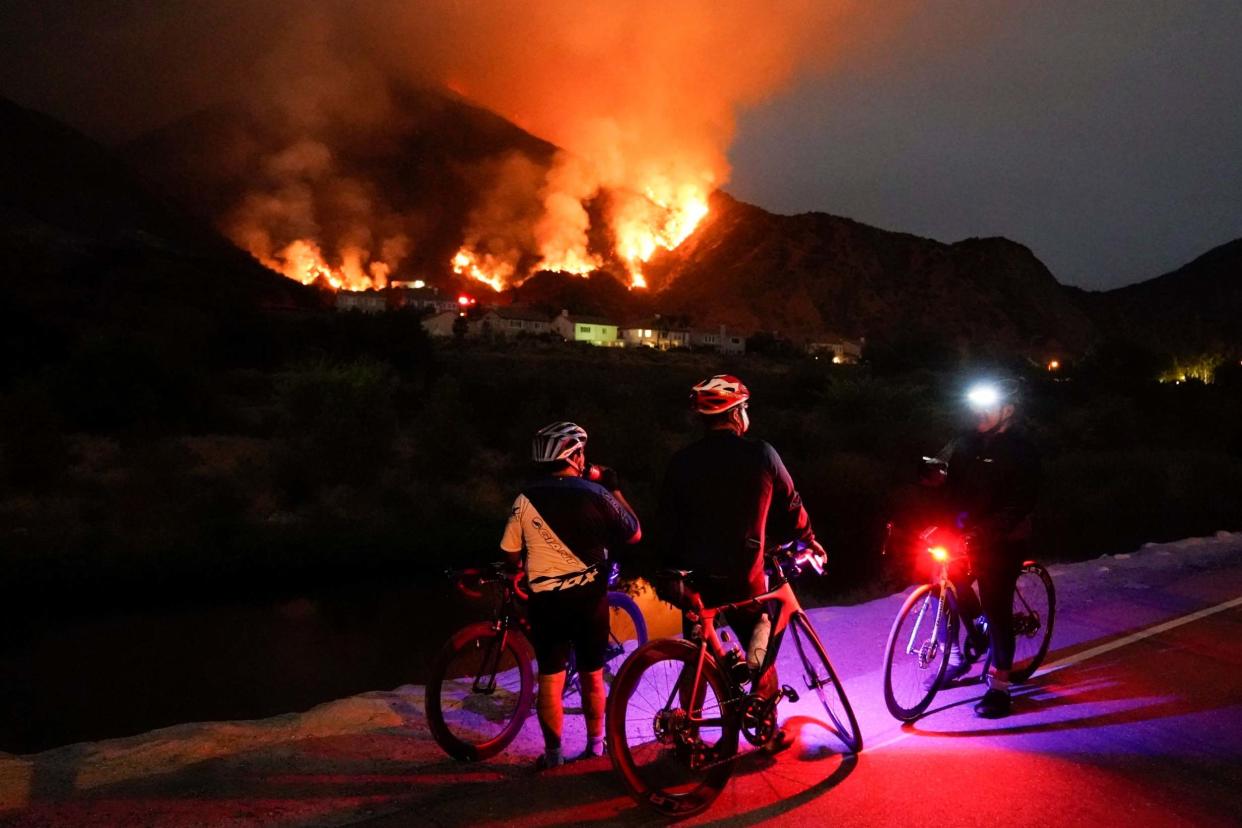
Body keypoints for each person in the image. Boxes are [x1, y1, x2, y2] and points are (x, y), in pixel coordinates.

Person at [657, 375, 825, 745]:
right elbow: (791, 503)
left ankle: (691, 735)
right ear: (736, 414)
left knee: (696, 654)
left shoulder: (681, 461)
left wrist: (669, 574)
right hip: (742, 574)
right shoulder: (761, 453)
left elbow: (666, 522)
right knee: (759, 644)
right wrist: (808, 540)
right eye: (744, 409)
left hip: (694, 576)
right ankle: (766, 730)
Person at [499, 421, 641, 769]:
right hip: (590, 602)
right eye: (581, 453)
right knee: (593, 675)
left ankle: (553, 757)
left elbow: (510, 554)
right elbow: (634, 533)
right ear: (574, 455)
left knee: (551, 676)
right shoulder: (597, 494)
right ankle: (595, 748)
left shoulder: (524, 498)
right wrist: (614, 488)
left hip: (546, 604)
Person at [920, 378, 1041, 718]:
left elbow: (1019, 505)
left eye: (988, 406)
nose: (980, 412)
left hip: (1005, 538)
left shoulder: (1022, 451)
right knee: (941, 582)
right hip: (966, 535)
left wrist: (978, 535)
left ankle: (1000, 687)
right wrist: (934, 520)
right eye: (976, 406)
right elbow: (950, 491)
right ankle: (962, 652)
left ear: (1008, 411)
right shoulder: (965, 444)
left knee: (995, 602)